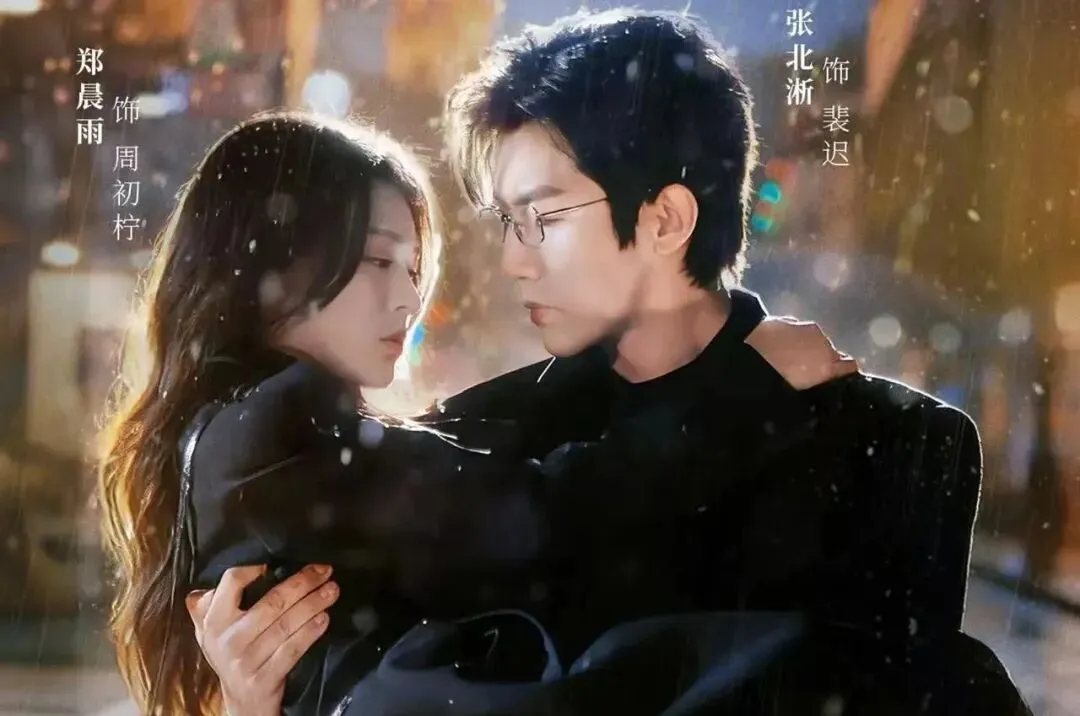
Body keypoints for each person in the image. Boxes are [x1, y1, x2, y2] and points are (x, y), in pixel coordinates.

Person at [191, 9, 1030, 716]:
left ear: (666, 219)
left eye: (544, 218)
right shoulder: (474, 440)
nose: (514, 260)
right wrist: (254, 705)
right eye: (507, 223)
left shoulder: (903, 445)